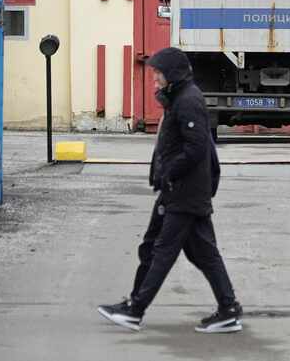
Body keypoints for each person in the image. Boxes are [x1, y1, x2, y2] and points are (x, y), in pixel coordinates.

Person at [97, 47, 242, 333]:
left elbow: (196, 147)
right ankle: (228, 309)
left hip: (184, 191)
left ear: (172, 74)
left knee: (161, 250)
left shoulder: (188, 100)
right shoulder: (179, 98)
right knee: (196, 252)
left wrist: (169, 172)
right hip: (181, 190)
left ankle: (135, 310)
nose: (154, 79)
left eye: (158, 74)